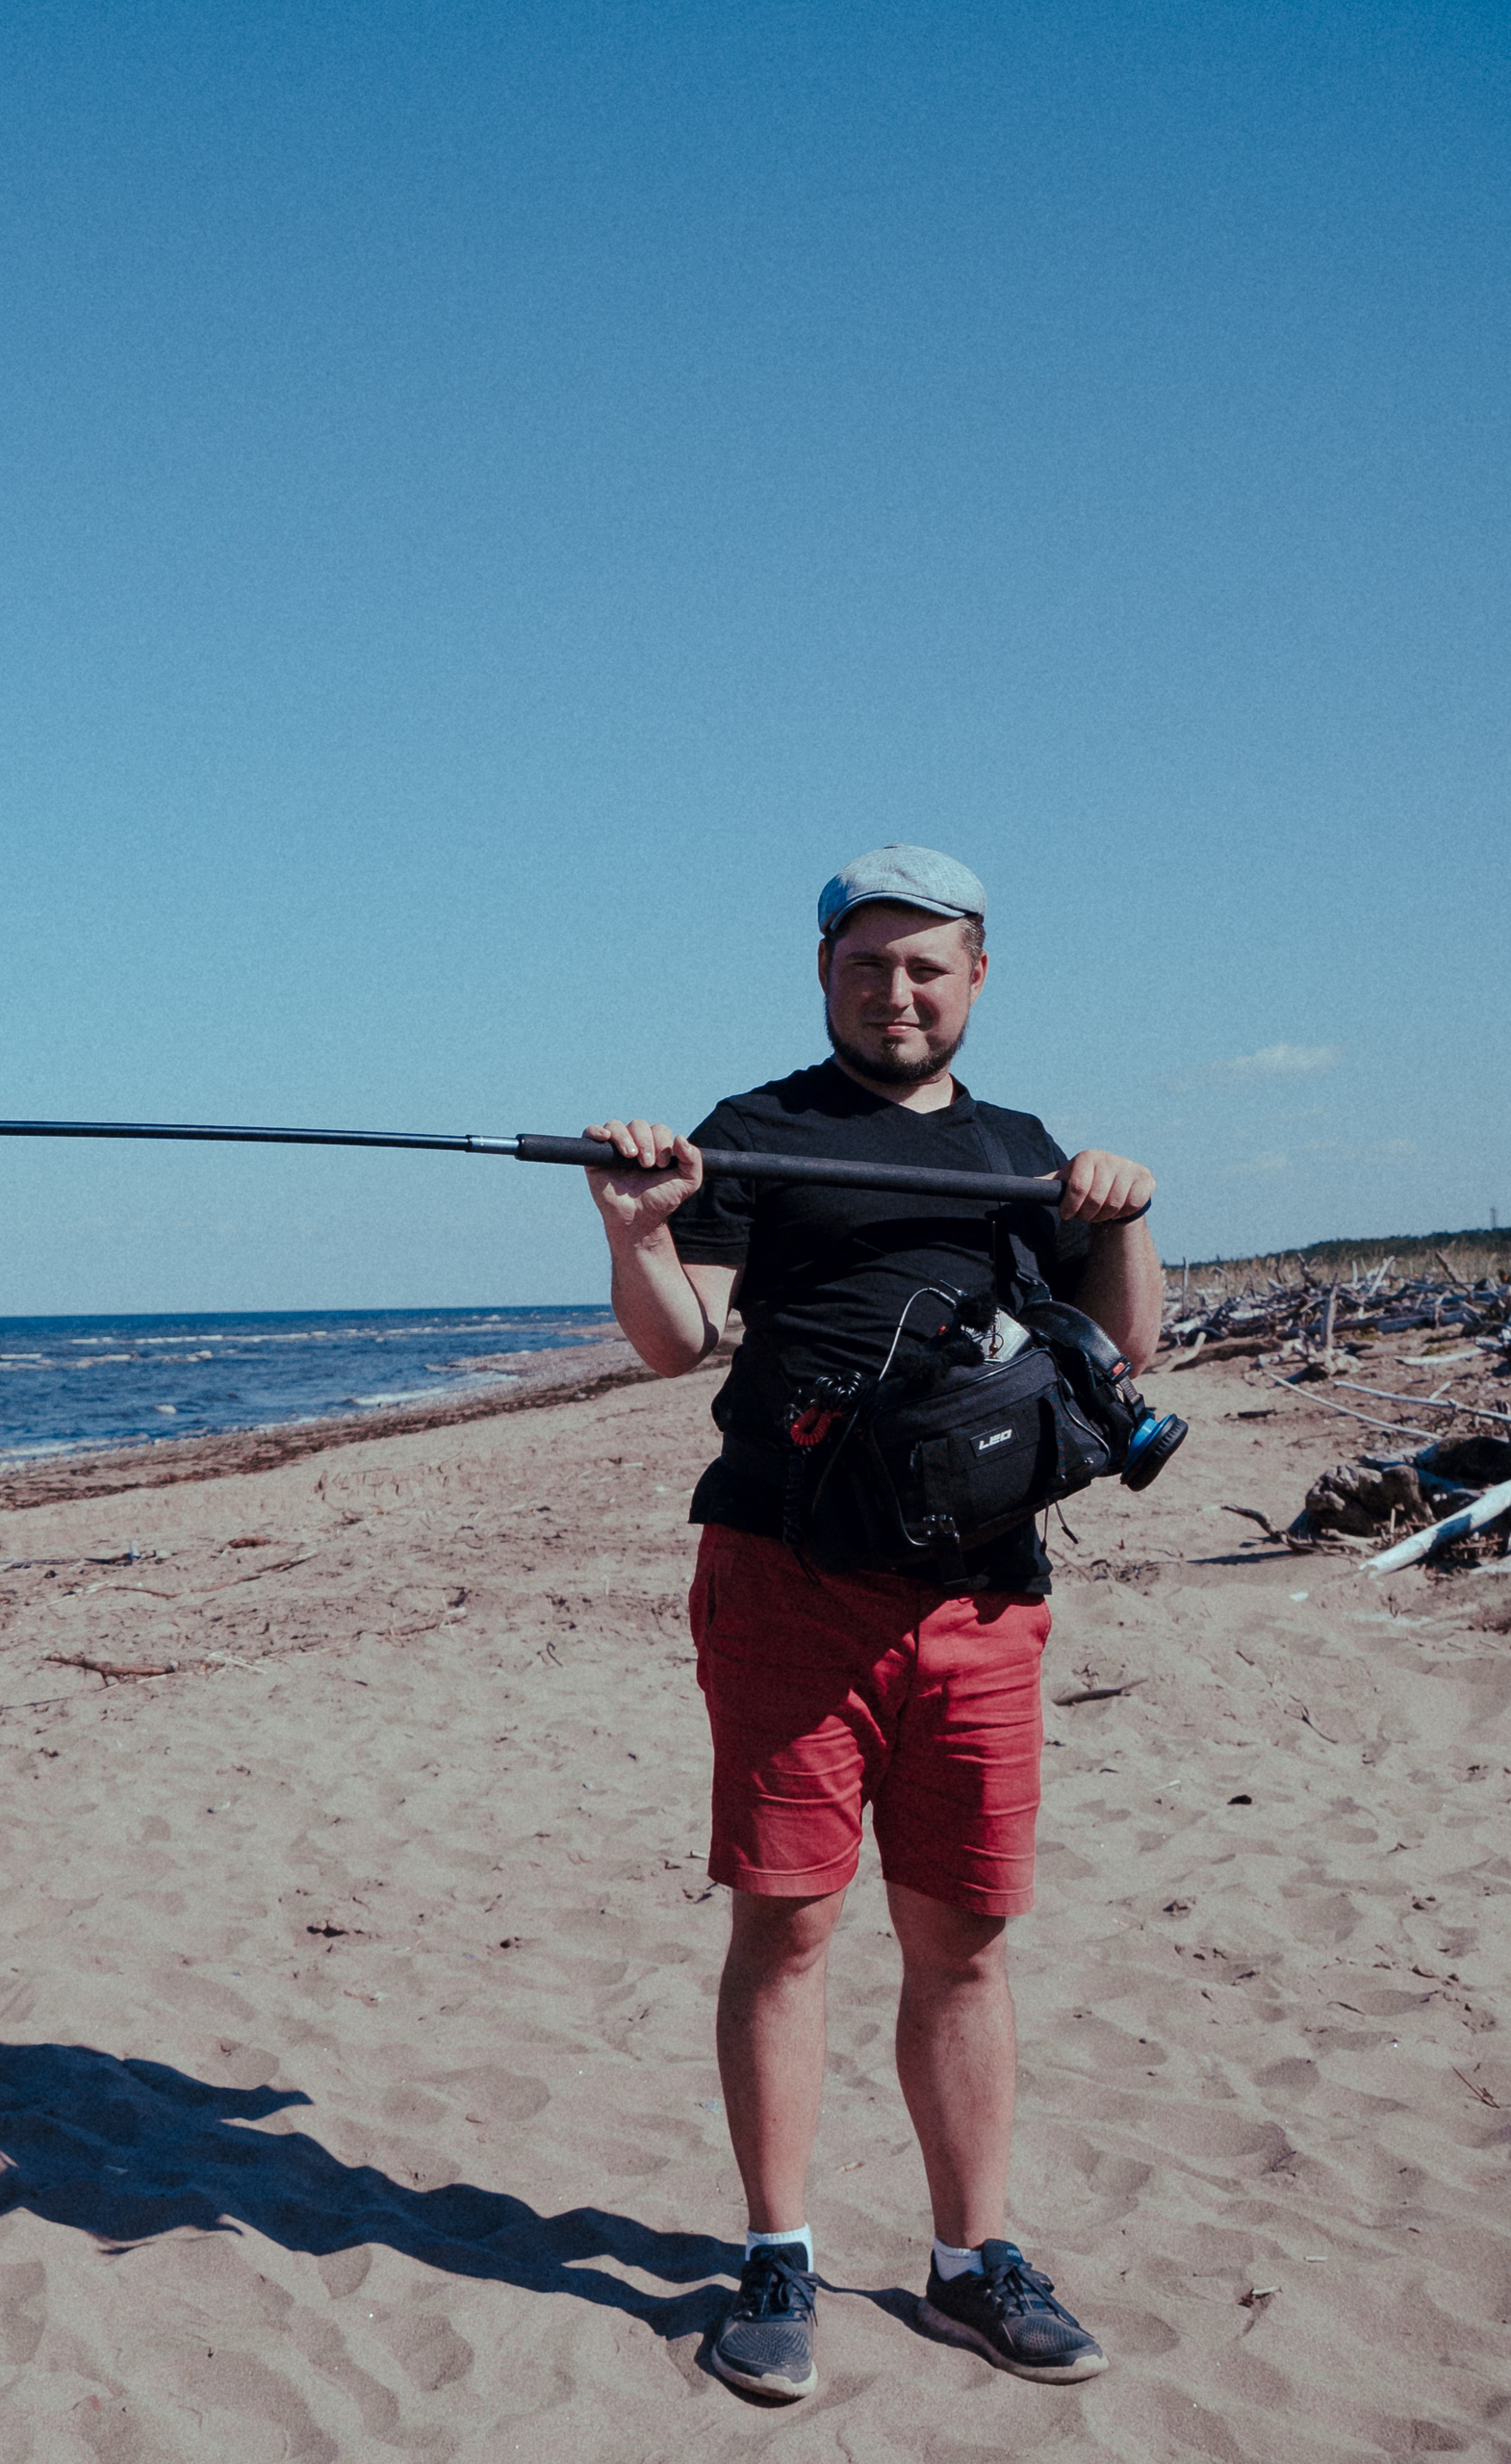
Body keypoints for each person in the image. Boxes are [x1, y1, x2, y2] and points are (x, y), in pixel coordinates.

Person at [583, 845, 1161, 2401]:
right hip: (788, 1583)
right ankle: (779, 2254)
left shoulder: (1028, 1152)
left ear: (978, 975)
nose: (896, 991)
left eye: (927, 965)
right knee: (788, 1925)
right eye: (867, 964)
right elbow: (674, 1346)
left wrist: (1123, 1211)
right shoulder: (753, 1135)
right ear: (826, 974)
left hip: (985, 1598)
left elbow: (1126, 1352)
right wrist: (640, 1225)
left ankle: (975, 2260)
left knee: (961, 1943)